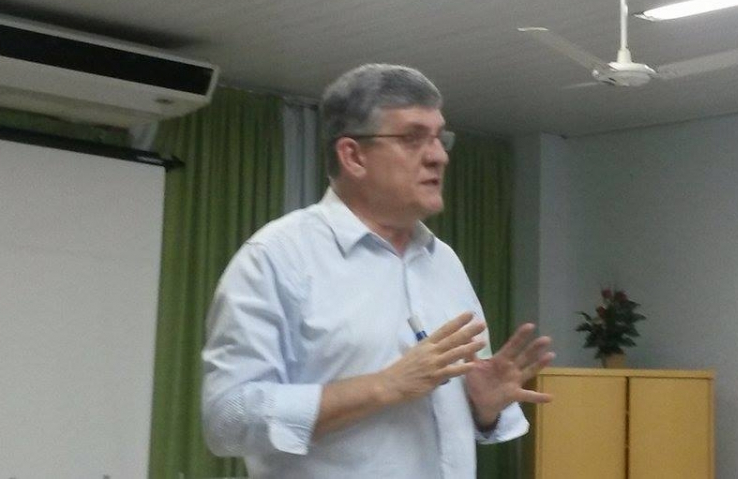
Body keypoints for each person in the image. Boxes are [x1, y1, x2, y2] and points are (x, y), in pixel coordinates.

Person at [202, 63, 555, 479]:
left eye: (439, 138)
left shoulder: (444, 262)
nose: (438, 156)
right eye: (413, 138)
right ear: (353, 156)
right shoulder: (277, 258)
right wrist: (384, 386)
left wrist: (482, 406)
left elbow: (452, 419)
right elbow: (226, 419)